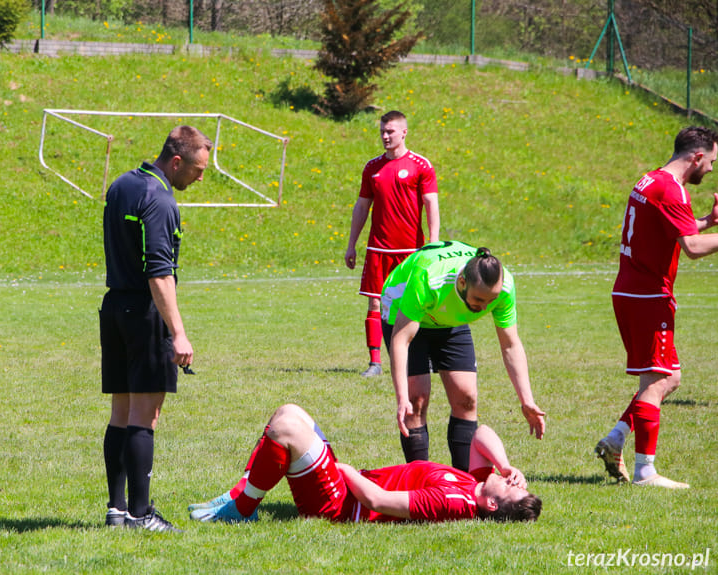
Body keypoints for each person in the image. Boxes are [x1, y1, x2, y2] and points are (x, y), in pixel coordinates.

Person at [100, 125, 212, 532]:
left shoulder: (121, 185)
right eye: (197, 170)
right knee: (145, 417)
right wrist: (178, 331)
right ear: (176, 161)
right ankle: (140, 514)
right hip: (144, 313)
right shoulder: (160, 199)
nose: (200, 178)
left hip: (113, 308)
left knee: (120, 413)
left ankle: (116, 510)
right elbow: (160, 273)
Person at [595, 126, 718, 489]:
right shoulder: (672, 189)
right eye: (711, 161)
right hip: (648, 295)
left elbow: (676, 229)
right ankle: (645, 471)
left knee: (669, 378)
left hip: (633, 291)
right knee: (656, 381)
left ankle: (616, 439)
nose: (711, 169)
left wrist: (708, 223)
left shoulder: (651, 180)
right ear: (696, 157)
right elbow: (692, 248)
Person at [188, 403, 541, 524]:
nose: (514, 481)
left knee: (287, 428)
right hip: (346, 490)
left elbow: (379, 502)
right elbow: (481, 434)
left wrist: (345, 472)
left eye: (511, 488)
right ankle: (237, 497)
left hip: (339, 505)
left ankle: (244, 508)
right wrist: (506, 465)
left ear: (492, 505)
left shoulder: (454, 503)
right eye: (517, 482)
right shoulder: (474, 483)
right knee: (289, 412)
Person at [380, 240, 545, 471]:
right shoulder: (429, 278)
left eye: (491, 301)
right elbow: (401, 340)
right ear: (462, 282)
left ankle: (464, 485)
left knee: (467, 398)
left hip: (448, 317)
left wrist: (527, 400)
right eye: (479, 300)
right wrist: (401, 398)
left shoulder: (504, 286)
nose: (485, 306)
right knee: (416, 400)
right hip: (404, 310)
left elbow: (510, 344)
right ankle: (422, 484)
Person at [344, 110, 440, 377]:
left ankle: (425, 357)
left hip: (411, 250)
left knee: (417, 304)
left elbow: (431, 204)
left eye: (390, 132)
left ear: (404, 132)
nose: (385, 136)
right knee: (375, 304)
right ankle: (375, 363)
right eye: (382, 132)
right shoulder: (372, 167)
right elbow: (362, 206)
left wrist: (433, 244)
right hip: (378, 249)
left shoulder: (421, 166)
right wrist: (351, 244)